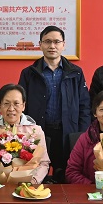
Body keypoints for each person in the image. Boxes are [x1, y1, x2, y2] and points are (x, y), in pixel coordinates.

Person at [18, 26, 90, 183]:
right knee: (36, 174)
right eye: (47, 42)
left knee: (66, 175)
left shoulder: (76, 72)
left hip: (67, 132)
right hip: (38, 132)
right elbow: (21, 106)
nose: (52, 46)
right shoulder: (29, 73)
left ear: (63, 44)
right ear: (40, 44)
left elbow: (85, 106)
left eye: (57, 42)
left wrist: (81, 134)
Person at [0, 84, 51, 185]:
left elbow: (43, 163)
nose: (11, 108)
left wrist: (32, 181)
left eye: (16, 103)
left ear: (23, 106)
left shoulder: (36, 131)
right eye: (6, 103)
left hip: (26, 186)